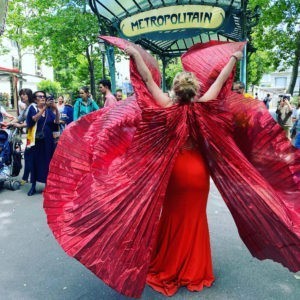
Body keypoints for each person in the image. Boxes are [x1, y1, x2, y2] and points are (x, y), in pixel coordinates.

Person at [43, 37, 300, 298]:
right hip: (198, 173)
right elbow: (222, 80)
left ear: (175, 90)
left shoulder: (166, 107)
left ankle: (170, 263)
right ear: (195, 89)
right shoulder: (205, 107)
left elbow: (147, 80)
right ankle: (195, 269)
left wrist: (133, 52)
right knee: (196, 219)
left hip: (176, 171)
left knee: (172, 216)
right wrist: (234, 56)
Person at [26, 91, 59, 196]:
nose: (43, 98)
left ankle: (47, 185)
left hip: (48, 141)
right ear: (35, 99)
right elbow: (34, 119)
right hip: (36, 141)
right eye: (40, 96)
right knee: (34, 162)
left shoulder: (49, 111)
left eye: (44, 96)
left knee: (47, 162)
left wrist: (56, 108)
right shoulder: (32, 108)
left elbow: (56, 122)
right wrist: (44, 108)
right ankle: (33, 186)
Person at [11, 88, 34, 185]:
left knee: (29, 156)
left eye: (24, 94)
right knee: (29, 156)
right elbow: (19, 118)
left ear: (29, 95)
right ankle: (27, 177)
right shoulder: (27, 107)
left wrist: (20, 125)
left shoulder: (33, 106)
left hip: (34, 135)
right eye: (21, 94)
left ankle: (26, 178)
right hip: (30, 135)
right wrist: (8, 123)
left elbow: (32, 122)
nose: (22, 96)